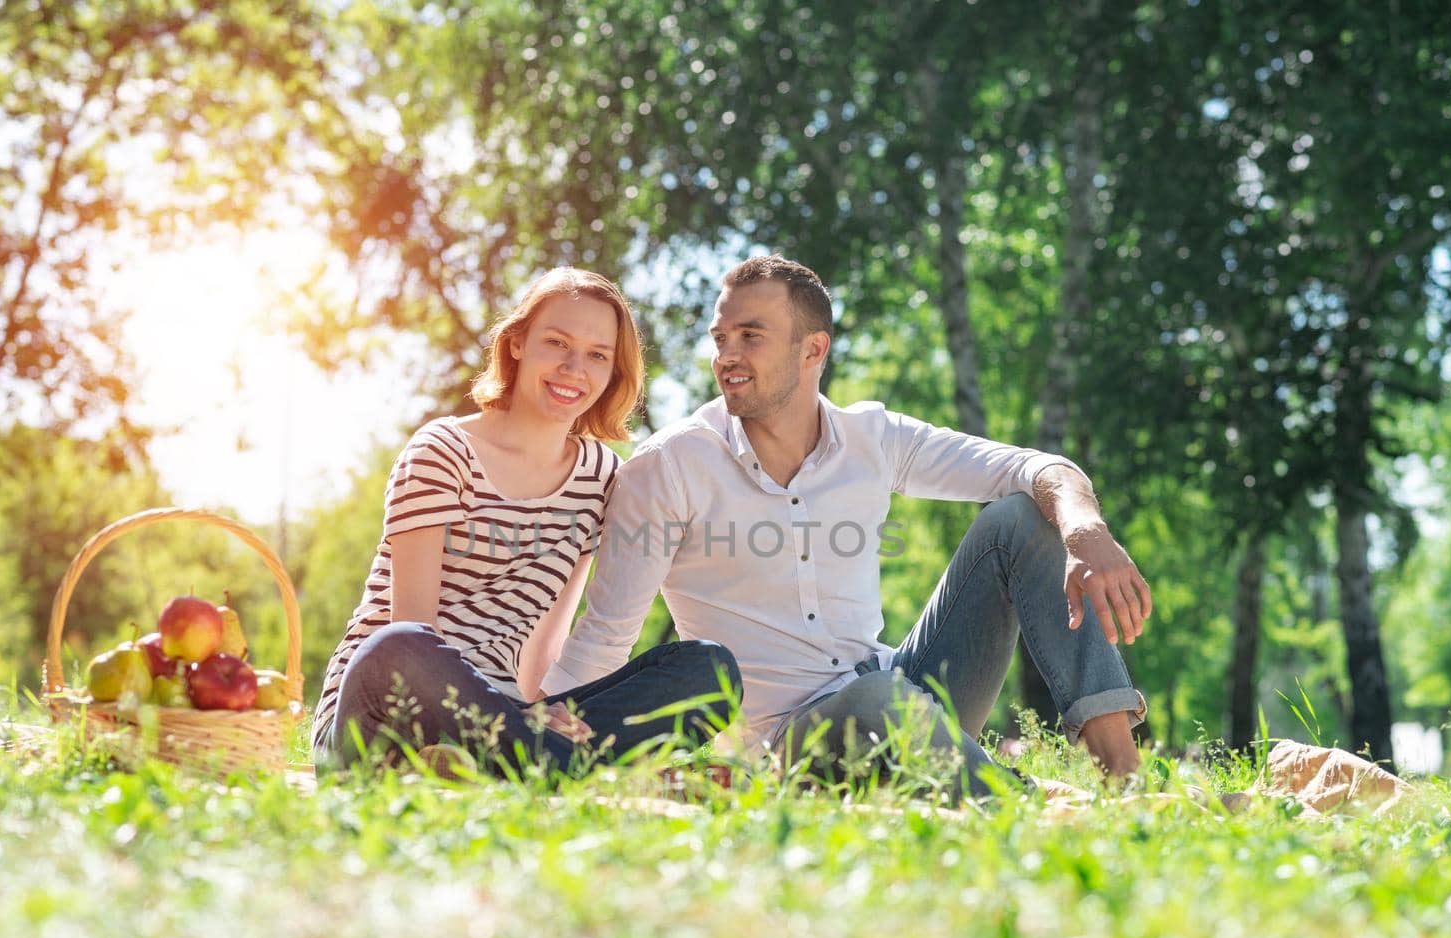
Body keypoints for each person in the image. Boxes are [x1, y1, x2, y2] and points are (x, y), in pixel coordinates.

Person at [540, 255, 1150, 791]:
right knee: (875, 700)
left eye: (750, 336)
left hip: (903, 693)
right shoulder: (669, 466)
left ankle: (1125, 784)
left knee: (1021, 515)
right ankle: (1023, 799)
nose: (727, 356)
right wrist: (533, 728)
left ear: (813, 350)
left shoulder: (873, 438)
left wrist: (1085, 532)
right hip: (791, 744)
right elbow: (606, 637)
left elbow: (1035, 467)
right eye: (720, 337)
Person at [311, 268, 739, 770]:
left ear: (613, 371)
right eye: (557, 343)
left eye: (597, 355)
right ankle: (561, 769)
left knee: (708, 668)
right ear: (517, 343)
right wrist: (519, 715)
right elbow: (414, 624)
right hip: (384, 709)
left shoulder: (599, 476)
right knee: (399, 646)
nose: (573, 369)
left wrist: (543, 710)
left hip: (505, 718)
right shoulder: (442, 450)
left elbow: (546, 640)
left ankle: (526, 764)